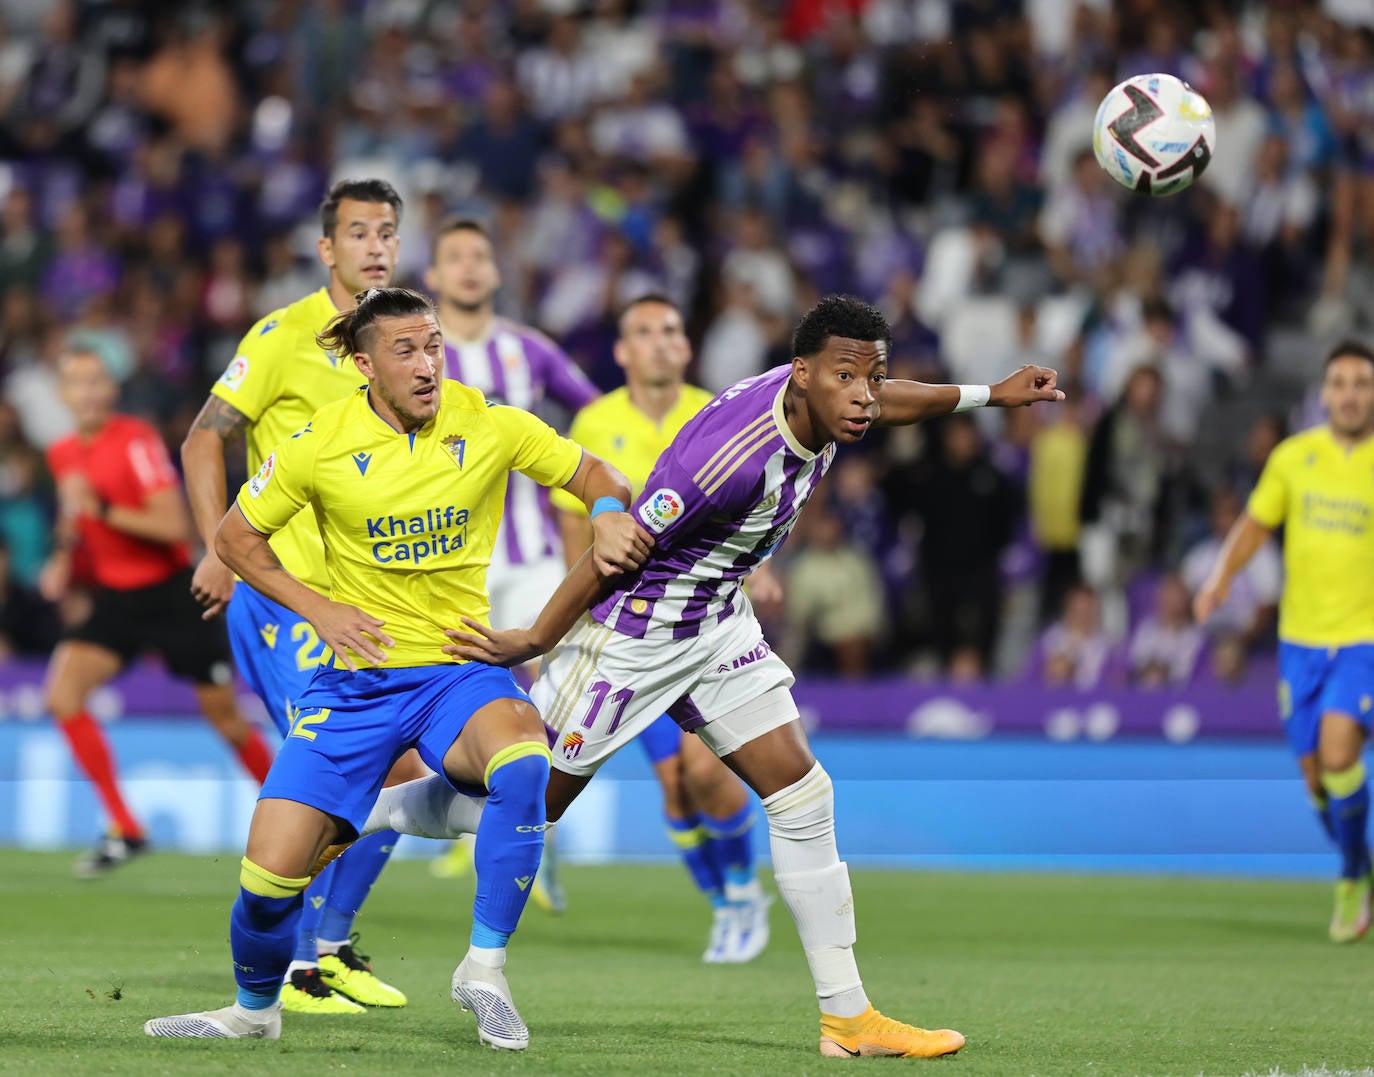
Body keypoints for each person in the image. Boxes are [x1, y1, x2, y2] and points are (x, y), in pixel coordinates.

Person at [373, 295, 1063, 1058]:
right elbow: (621, 544)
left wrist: (990, 394)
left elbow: (887, 398)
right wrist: (534, 636)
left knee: (804, 796)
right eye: (847, 378)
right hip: (629, 639)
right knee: (523, 803)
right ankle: (368, 810)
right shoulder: (724, 459)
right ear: (802, 376)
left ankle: (848, 1018)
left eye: (873, 377)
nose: (863, 395)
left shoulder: (830, 398)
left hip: (715, 627)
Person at [144, 287, 643, 1047]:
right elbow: (236, 538)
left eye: (435, 345)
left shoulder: (488, 421)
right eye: (406, 350)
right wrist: (318, 608)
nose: (427, 364)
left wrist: (607, 517)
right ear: (364, 363)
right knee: (267, 885)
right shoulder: (319, 442)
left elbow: (599, 477)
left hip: (456, 669)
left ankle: (484, 969)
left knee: (523, 758)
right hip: (353, 685)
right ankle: (253, 1011)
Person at [179, 178, 414, 1013]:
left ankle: (322, 947)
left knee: (401, 769)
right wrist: (220, 545)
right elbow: (206, 437)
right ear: (327, 249)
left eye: (387, 230)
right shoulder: (281, 338)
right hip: (287, 599)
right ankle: (297, 963)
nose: (376, 245)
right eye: (358, 232)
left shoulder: (398, 347)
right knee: (341, 775)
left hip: (365, 601)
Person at [544, 292, 772, 963]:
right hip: (623, 631)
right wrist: (572, 618)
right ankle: (724, 901)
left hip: (705, 621)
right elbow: (571, 526)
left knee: (705, 771)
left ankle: (741, 889)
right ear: (622, 351)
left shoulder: (721, 410)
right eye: (644, 331)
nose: (661, 341)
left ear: (686, 344)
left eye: (672, 329)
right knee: (672, 780)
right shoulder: (595, 419)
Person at [40, 345, 273, 877]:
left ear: (111, 389)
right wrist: (61, 557)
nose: (89, 391)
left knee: (228, 723)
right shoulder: (62, 453)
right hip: (117, 600)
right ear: (63, 395)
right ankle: (125, 827)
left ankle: (296, 824)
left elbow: (171, 526)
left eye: (97, 380)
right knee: (63, 695)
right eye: (78, 383)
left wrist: (99, 509)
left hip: (171, 595)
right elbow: (75, 521)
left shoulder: (136, 441)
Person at [423, 215, 598, 904]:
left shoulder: (531, 351)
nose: (469, 267)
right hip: (444, 560)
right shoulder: (418, 354)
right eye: (454, 257)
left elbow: (597, 416)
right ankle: (477, 822)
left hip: (529, 555)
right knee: (451, 696)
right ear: (433, 276)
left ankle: (531, 828)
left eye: (479, 256)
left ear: (496, 273)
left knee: (544, 695)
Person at [1195, 339, 1374, 944]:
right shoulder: (1295, 459)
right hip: (1299, 644)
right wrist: (1221, 577)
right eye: (1341, 384)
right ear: (1324, 395)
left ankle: (1352, 878)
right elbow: (1254, 525)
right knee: (1318, 780)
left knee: (1339, 751)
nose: (1351, 395)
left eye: (1362, 384)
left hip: (1362, 641)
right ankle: (1359, 862)